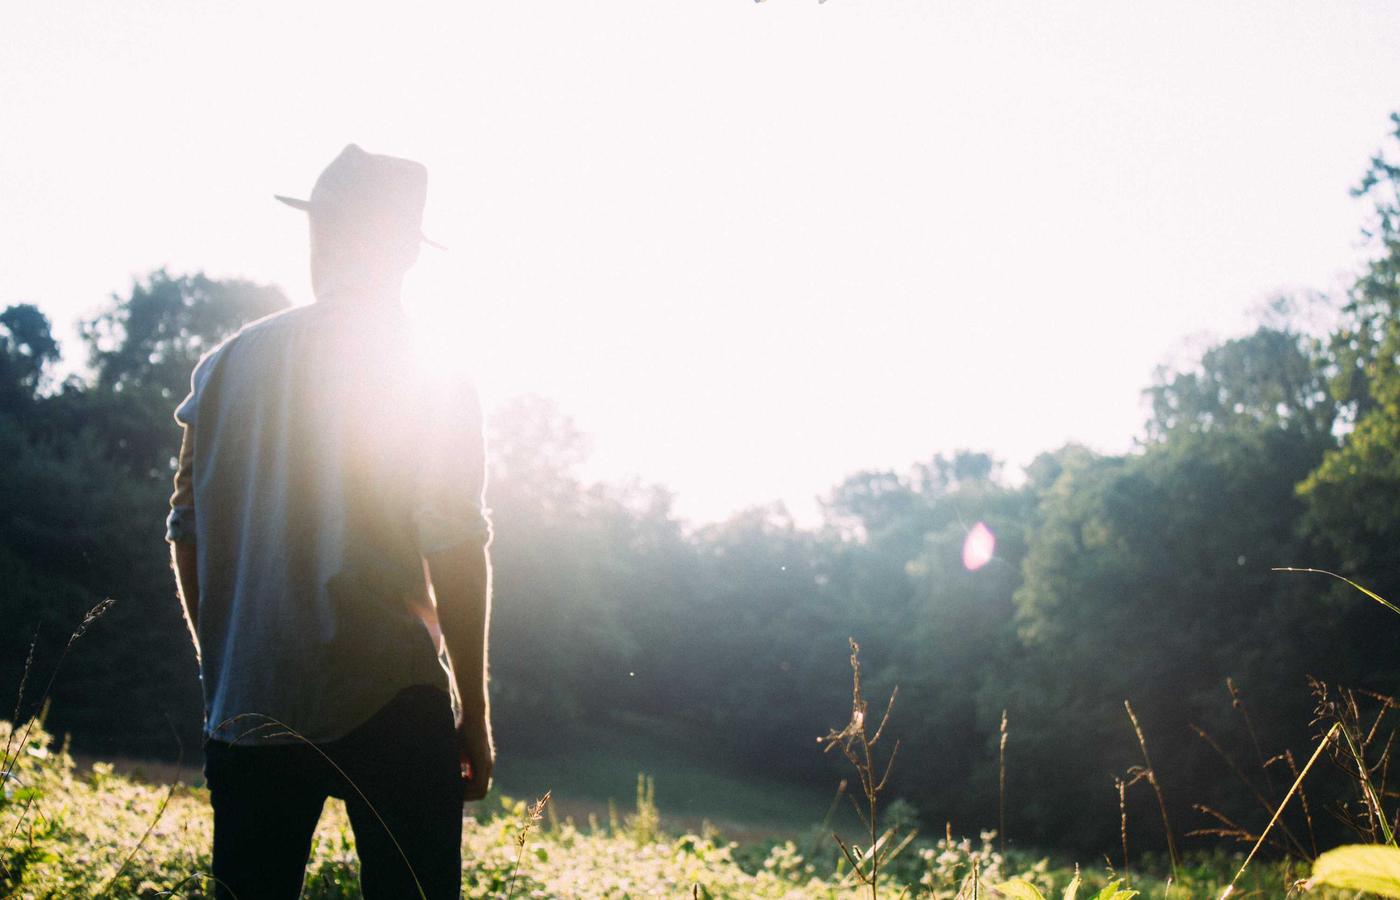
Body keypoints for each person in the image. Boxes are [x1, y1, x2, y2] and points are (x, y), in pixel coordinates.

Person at [166, 143, 494, 900]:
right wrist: (473, 716)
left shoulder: (224, 365)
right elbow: (454, 545)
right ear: (407, 252)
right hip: (391, 698)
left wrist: (223, 674)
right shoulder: (432, 367)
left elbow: (186, 533)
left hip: (250, 703)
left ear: (323, 233)